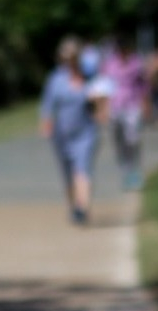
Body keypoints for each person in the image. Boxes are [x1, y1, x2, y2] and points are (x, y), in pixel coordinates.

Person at [38, 35, 101, 225]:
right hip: (62, 135)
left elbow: (100, 102)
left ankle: (82, 207)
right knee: (68, 175)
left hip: (86, 132)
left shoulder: (89, 77)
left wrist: (99, 106)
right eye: (66, 57)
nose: (70, 61)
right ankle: (74, 206)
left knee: (82, 170)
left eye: (73, 56)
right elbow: (47, 105)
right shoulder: (56, 79)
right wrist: (46, 123)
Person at [103, 35, 149, 190]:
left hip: (132, 105)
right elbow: (104, 85)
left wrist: (145, 103)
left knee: (133, 139)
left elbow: (143, 84)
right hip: (115, 106)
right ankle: (126, 172)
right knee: (119, 141)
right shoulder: (110, 64)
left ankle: (135, 172)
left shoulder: (136, 63)